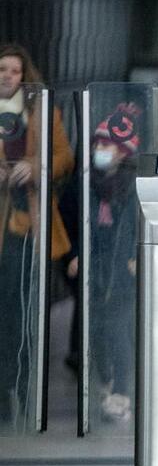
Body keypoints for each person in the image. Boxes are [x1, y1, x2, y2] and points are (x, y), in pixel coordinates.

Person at [0, 44, 74, 426]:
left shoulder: (43, 113)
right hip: (5, 221)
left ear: (24, 75)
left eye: (14, 71)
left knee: (28, 310)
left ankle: (27, 389)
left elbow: (64, 158)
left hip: (33, 222)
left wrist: (34, 165)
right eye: (2, 70)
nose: (7, 76)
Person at [87, 104, 143, 422]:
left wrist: (136, 257)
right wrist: (74, 256)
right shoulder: (85, 183)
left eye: (107, 144)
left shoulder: (132, 187)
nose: (100, 149)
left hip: (123, 267)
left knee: (119, 327)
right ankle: (106, 379)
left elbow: (138, 225)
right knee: (96, 328)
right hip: (94, 266)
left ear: (123, 152)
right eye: (98, 143)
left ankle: (121, 388)